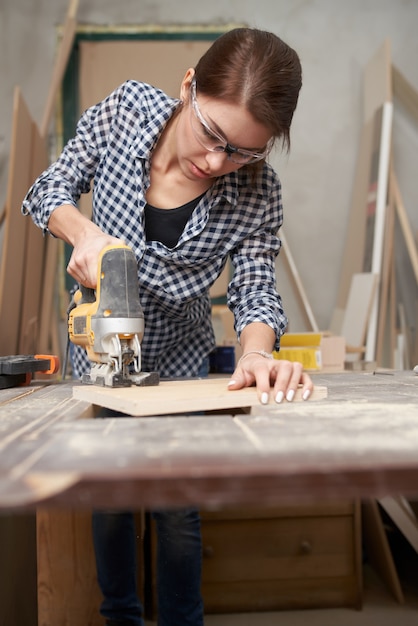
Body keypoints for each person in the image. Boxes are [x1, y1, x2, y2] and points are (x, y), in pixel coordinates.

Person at [22, 26, 313, 626]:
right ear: (188, 87)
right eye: (212, 135)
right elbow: (46, 188)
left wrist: (256, 352)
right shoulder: (126, 111)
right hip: (104, 350)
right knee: (110, 497)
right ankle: (121, 616)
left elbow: (255, 285)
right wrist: (83, 233)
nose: (216, 162)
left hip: (181, 356)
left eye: (242, 151)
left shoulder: (258, 191)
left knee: (176, 506)